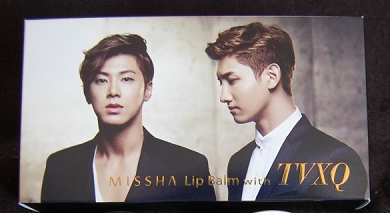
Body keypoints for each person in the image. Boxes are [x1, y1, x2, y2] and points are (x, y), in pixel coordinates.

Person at [41, 34, 215, 202]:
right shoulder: (60, 167)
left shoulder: (188, 166)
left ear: (147, 90)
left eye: (126, 79)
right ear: (87, 92)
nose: (113, 91)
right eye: (101, 80)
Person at [205, 21, 368, 201]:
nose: (224, 96)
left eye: (232, 80)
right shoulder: (238, 162)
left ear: (272, 76)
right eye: (221, 83)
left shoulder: (333, 159)